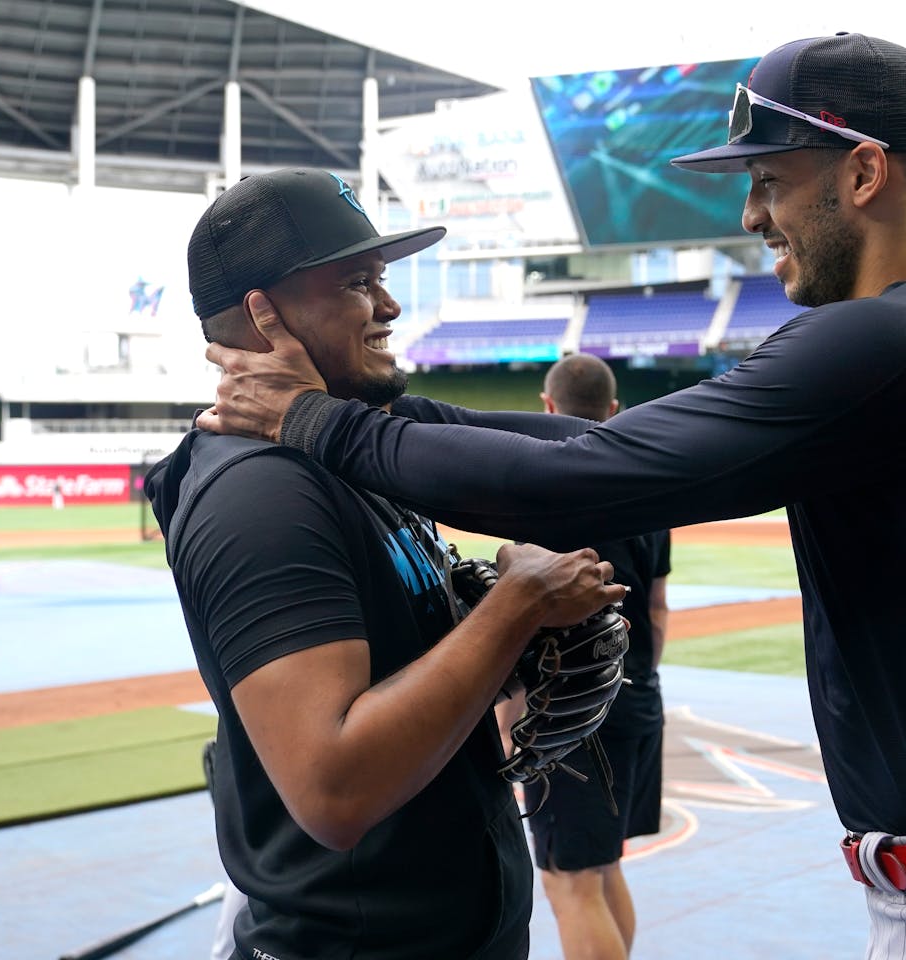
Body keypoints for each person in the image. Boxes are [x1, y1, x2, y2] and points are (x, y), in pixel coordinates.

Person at [198, 34, 906, 958]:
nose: (751, 216)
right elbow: (601, 445)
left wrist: (319, 423)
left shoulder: (892, 339)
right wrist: (374, 405)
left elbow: (588, 480)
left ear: (864, 176)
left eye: (770, 181)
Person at [146, 167, 626, 960]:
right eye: (359, 283)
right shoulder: (258, 495)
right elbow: (335, 788)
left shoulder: (338, 444)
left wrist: (488, 651)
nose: (391, 305)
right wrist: (514, 610)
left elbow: (585, 454)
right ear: (265, 316)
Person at [498, 352, 671, 960]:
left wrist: (511, 716)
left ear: (546, 407)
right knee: (601, 869)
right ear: (614, 410)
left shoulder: (545, 485)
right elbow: (655, 608)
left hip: (572, 716)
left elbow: (528, 620)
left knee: (570, 881)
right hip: (638, 699)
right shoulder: (645, 488)